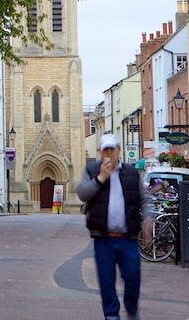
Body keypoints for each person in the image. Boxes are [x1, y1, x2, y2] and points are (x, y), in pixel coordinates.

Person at [77, 134, 153, 320]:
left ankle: (131, 311)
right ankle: (112, 317)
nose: (109, 153)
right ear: (100, 152)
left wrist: (149, 218)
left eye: (112, 149)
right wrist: (101, 177)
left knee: (133, 278)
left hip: (128, 239)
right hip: (103, 239)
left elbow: (145, 199)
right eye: (105, 149)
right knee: (107, 283)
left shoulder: (132, 173)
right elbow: (82, 193)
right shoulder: (91, 170)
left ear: (119, 150)